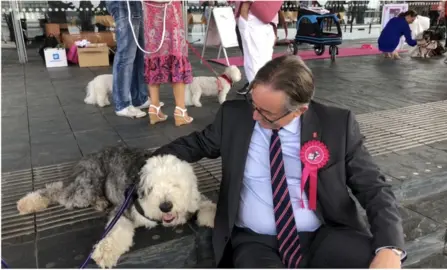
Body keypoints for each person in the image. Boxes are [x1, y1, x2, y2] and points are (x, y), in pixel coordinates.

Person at [151, 55, 406, 268]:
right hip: (254, 240)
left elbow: (374, 187)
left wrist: (391, 248)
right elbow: (195, 145)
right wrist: (142, 162)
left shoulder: (336, 124)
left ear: (299, 110)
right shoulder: (234, 116)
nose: (254, 114)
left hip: (325, 232)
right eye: (253, 102)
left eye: (266, 113)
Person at [143, 1, 194, 127]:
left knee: (154, 56)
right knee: (176, 55)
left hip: (151, 10)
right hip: (170, 9)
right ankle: (180, 111)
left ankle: (154, 108)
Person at [106, 1, 150, 118]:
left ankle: (139, 98)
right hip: (123, 3)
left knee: (138, 54)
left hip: (136, 4)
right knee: (126, 55)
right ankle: (122, 104)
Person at [232, 1, 283, 95]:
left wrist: (244, 11)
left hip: (255, 18)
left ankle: (259, 92)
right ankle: (263, 91)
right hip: (265, 18)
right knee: (261, 60)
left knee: (253, 60)